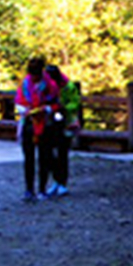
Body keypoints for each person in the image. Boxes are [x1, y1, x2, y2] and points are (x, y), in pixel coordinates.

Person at [14, 54, 57, 202]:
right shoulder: (25, 85)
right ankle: (29, 189)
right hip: (28, 122)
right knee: (29, 158)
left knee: (44, 157)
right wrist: (24, 109)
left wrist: (47, 109)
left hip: (45, 123)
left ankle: (42, 189)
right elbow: (19, 101)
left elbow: (56, 103)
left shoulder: (50, 85)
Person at [41, 61, 79, 196]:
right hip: (49, 122)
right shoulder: (44, 86)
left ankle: (62, 183)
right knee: (49, 153)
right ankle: (56, 180)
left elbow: (75, 103)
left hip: (66, 122)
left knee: (62, 153)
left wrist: (63, 108)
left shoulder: (68, 87)